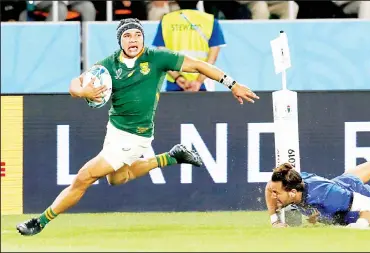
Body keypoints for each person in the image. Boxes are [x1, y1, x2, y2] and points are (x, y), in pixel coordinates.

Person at [16, 18, 259, 236]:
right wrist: (82, 91)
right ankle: (172, 157)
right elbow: (75, 83)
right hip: (115, 130)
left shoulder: (156, 58)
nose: (133, 40)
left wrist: (232, 84)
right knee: (118, 179)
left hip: (136, 136)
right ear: (120, 40)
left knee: (84, 177)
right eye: (127, 36)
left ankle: (41, 221)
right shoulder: (108, 65)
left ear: (143, 37)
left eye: (137, 35)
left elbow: (197, 65)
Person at [265, 137, 370, 228]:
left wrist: (360, 225)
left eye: (277, 194)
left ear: (293, 192)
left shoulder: (326, 196)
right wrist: (275, 220)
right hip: (343, 184)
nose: (273, 196)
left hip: (362, 200)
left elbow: (369, 206)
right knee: (347, 180)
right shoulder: (288, 179)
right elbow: (268, 188)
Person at [152, 0, 226, 92]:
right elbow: (212, 58)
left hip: (174, 84)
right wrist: (198, 82)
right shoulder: (210, 21)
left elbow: (162, 55)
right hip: (201, 85)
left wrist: (178, 78)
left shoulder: (166, 20)